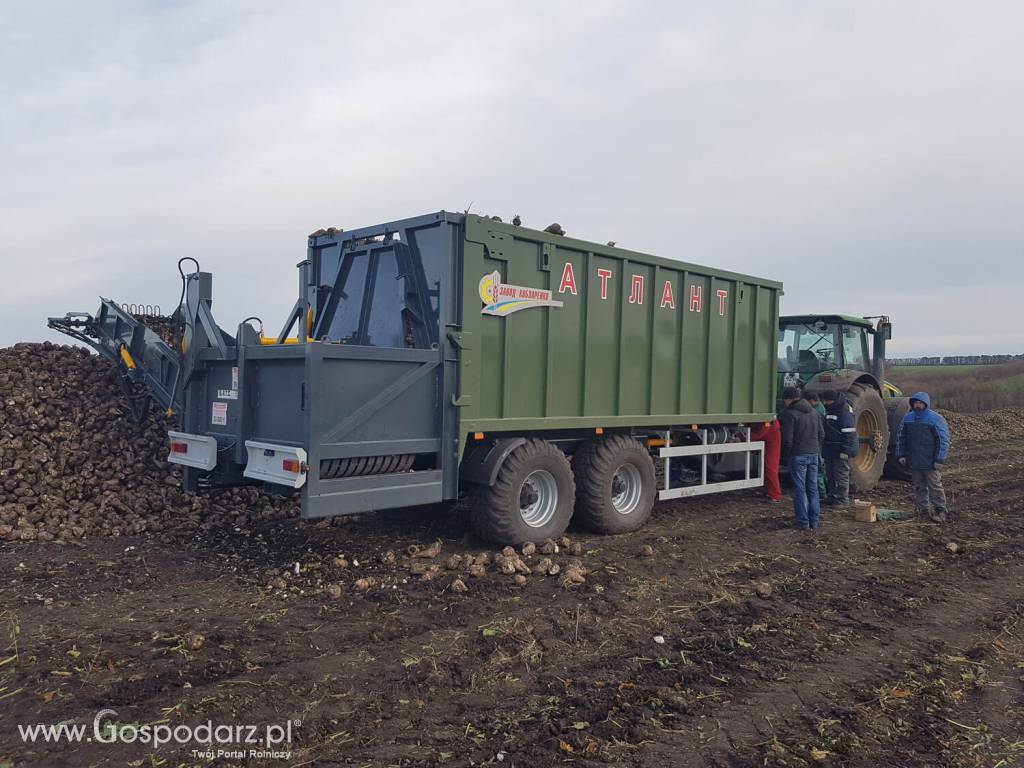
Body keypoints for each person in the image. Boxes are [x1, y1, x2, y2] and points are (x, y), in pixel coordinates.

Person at [896, 391, 951, 522]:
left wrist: (939, 459)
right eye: (915, 402)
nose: (918, 405)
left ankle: (940, 510)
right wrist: (901, 454)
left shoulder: (935, 419)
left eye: (920, 403)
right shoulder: (907, 418)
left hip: (930, 461)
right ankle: (923, 510)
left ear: (926, 404)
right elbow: (900, 437)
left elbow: (943, 440)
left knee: (935, 486)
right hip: (914, 460)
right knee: (919, 486)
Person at [780, 387, 825, 530]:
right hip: (814, 454)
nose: (785, 403)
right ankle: (814, 521)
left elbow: (787, 439)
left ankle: (803, 522)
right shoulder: (814, 412)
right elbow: (821, 434)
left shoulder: (790, 414)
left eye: (785, 400)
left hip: (798, 454)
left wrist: (785, 456)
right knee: (813, 488)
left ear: (790, 399)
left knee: (800, 489)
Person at [822, 389, 858, 508]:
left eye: (827, 401)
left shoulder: (844, 411)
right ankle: (833, 496)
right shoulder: (830, 409)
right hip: (830, 448)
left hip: (841, 449)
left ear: (832, 400)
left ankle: (843, 499)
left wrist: (845, 450)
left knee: (841, 473)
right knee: (830, 473)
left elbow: (849, 432)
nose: (825, 403)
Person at [750, 417, 783, 503]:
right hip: (770, 442)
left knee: (770, 468)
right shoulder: (769, 419)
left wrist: (743, 438)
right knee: (768, 468)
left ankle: (775, 495)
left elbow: (761, 432)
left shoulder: (768, 421)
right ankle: (771, 492)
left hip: (771, 444)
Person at [804, 391, 829, 498]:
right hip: (819, 442)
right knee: (822, 468)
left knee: (818, 469)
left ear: (811, 401)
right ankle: (828, 490)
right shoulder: (821, 408)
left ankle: (822, 493)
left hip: (815, 443)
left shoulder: (815, 411)